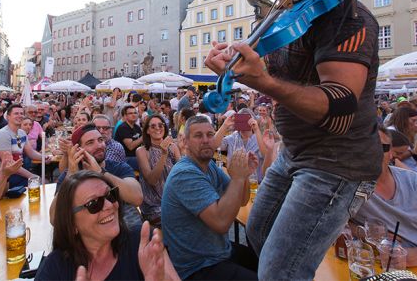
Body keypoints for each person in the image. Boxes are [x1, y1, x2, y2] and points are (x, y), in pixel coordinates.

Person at [205, 0, 383, 281]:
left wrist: (264, 82)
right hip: (294, 153)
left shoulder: (347, 18)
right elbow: (269, 71)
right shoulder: (283, 17)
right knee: (257, 231)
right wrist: (234, 67)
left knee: (277, 271)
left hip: (337, 163)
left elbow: (341, 107)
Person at [161, 115, 258, 279]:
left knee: (271, 264)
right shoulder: (185, 173)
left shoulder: (209, 165)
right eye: (198, 136)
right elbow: (221, 223)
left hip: (218, 253)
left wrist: (245, 175)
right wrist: (238, 178)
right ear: (185, 142)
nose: (206, 140)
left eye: (210, 135)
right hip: (197, 267)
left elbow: (241, 200)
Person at [37, 170, 178, 281]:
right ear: (71, 223)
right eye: (93, 204)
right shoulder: (54, 269)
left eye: (111, 195)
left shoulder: (144, 244)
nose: (110, 205)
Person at [354, 126, 417, 266]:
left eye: (381, 147)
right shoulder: (348, 188)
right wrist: (362, 232)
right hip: (387, 268)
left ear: (391, 153)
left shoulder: (413, 181)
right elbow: (330, 225)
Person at [53, 124, 143, 228]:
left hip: (123, 228)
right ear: (78, 149)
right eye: (90, 142)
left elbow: (137, 198)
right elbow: (54, 218)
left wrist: (101, 172)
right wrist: (71, 175)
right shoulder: (69, 175)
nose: (99, 145)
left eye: (100, 140)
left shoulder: (118, 167)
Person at [0, 103, 51, 188]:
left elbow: (30, 152)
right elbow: (9, 164)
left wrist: (44, 157)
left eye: (21, 113)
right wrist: (32, 176)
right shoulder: (3, 134)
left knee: (44, 182)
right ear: (8, 117)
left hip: (13, 171)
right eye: (16, 113)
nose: (19, 116)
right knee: (40, 184)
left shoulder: (22, 133)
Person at [136, 113, 181, 225]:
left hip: (174, 199)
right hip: (154, 206)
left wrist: (185, 150)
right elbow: (152, 180)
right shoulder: (142, 151)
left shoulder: (173, 147)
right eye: (153, 126)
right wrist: (163, 154)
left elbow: (182, 174)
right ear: (147, 131)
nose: (157, 128)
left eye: (160, 125)